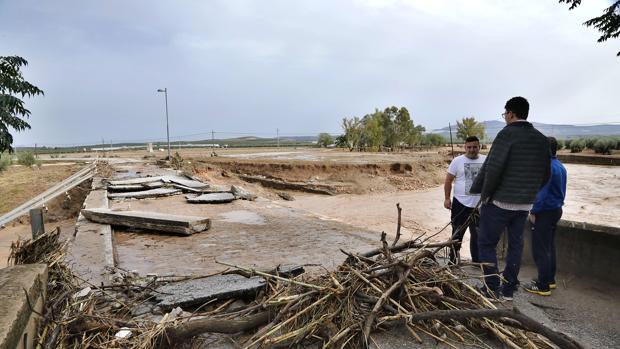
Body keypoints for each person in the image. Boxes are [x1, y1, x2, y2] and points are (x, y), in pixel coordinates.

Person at [470, 96, 550, 301]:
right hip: (524, 205)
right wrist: (528, 193)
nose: (505, 117)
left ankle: (491, 287)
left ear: (511, 113)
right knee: (516, 245)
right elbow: (545, 175)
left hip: (499, 203)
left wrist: (485, 195)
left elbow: (493, 168)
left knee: (486, 243)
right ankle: (508, 289)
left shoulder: (507, 134)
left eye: (505, 113)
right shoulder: (542, 139)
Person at [523, 137, 567, 296]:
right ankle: (549, 280)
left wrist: (533, 212)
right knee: (549, 247)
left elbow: (541, 195)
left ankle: (542, 286)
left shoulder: (547, 168)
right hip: (556, 210)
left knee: (540, 249)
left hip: (544, 213)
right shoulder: (560, 166)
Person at [444, 135, 486, 264]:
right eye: (469, 147)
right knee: (457, 232)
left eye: (475, 147)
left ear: (479, 147)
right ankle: (453, 260)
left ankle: (477, 260)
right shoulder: (457, 161)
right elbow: (448, 180)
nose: (472, 149)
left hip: (480, 205)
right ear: (465, 147)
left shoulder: (486, 160)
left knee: (478, 234)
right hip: (460, 204)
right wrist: (447, 198)